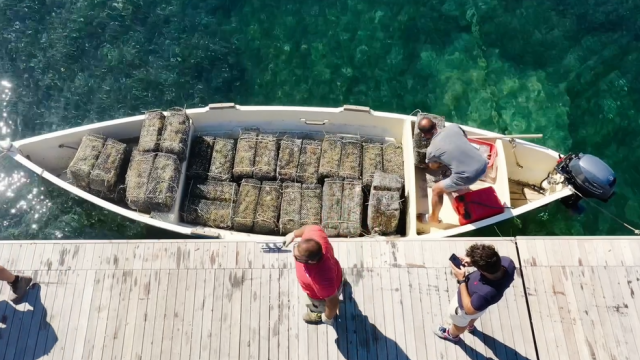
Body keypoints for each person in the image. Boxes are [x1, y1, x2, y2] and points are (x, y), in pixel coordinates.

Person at [434, 243, 516, 342]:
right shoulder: (507, 263)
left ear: (482, 270)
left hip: (464, 309)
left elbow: (469, 310)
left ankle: (452, 335)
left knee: (460, 323)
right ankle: (470, 325)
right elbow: (489, 264)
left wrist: (462, 280)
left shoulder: (484, 293)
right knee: (475, 315)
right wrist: (473, 262)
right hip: (480, 306)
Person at [416, 117, 488, 224]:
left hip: (469, 176)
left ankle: (433, 219)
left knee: (436, 190)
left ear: (424, 135)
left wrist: (440, 162)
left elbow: (433, 166)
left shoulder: (431, 150)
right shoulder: (454, 127)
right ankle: (461, 188)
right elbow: (465, 138)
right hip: (483, 164)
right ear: (436, 124)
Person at [283, 225, 343, 325]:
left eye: (297, 257)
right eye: (296, 246)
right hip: (336, 273)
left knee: (319, 306)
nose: (293, 254)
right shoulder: (315, 234)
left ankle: (318, 312)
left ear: (311, 261)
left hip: (320, 297)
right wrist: (294, 234)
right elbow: (308, 228)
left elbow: (333, 301)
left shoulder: (322, 278)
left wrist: (328, 317)